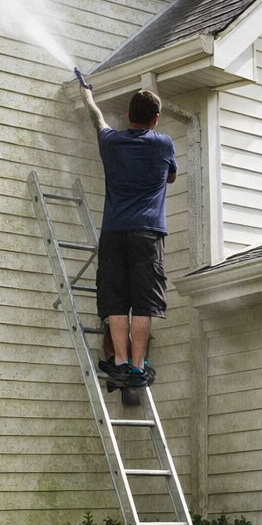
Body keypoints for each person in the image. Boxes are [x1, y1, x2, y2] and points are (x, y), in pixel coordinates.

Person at [76, 81, 176, 392]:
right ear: (156, 119)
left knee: (116, 300)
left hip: (114, 233)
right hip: (148, 234)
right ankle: (137, 367)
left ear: (129, 115)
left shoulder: (111, 142)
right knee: (144, 304)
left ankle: (119, 361)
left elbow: (97, 118)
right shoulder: (164, 145)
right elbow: (171, 176)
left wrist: (87, 96)